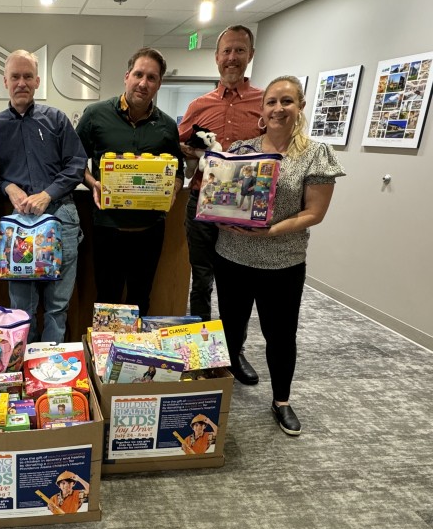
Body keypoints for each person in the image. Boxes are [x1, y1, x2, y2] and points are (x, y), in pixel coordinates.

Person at [213, 75, 345, 436]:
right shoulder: (241, 150)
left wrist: (271, 231)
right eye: (271, 101)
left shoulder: (315, 154)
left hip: (282, 262)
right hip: (232, 257)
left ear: (300, 107)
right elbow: (223, 198)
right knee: (229, 328)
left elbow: (314, 213)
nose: (278, 108)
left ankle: (281, 400)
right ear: (262, 107)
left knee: (281, 335)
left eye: (287, 101)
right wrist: (219, 213)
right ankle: (220, 393)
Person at [178, 25, 263, 385]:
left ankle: (233, 351)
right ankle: (202, 353)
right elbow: (179, 144)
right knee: (201, 280)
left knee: (237, 285)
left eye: (239, 50)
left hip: (242, 209)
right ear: (216, 57)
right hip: (202, 203)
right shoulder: (199, 105)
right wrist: (190, 151)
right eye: (226, 51)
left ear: (250, 55)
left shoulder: (264, 102)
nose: (232, 58)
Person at [77, 47, 184, 316]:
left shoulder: (167, 125)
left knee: (141, 299)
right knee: (107, 300)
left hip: (149, 230)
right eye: (138, 74)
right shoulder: (95, 114)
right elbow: (74, 163)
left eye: (151, 78)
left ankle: (136, 345)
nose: (143, 83)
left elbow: (178, 171)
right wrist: (93, 183)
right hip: (108, 228)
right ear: (127, 76)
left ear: (159, 84)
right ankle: (106, 345)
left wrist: (173, 191)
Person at [0, 50, 86, 344]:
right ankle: (25, 363)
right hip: (19, 226)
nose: (21, 82)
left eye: (27, 76)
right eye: (15, 77)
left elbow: (77, 164)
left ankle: (51, 365)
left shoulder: (56, 119)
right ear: (5, 81)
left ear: (37, 81)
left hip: (60, 217)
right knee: (22, 309)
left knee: (58, 307)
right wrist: (7, 186)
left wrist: (48, 194)